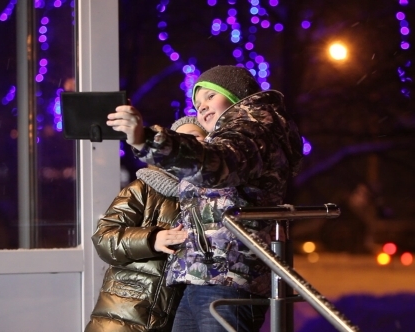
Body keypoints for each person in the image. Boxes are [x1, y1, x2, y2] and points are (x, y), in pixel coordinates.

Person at [107, 65, 304, 332]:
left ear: (236, 95)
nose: (202, 108)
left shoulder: (252, 130)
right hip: (206, 277)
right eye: (198, 104)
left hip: (229, 278)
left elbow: (216, 164)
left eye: (210, 96)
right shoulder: (244, 132)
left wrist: (148, 139)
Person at [84, 116, 208, 332]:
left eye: (196, 138)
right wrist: (151, 239)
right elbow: (104, 237)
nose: (189, 145)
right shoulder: (144, 188)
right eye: (182, 139)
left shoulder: (210, 198)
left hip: (171, 319)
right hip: (124, 314)